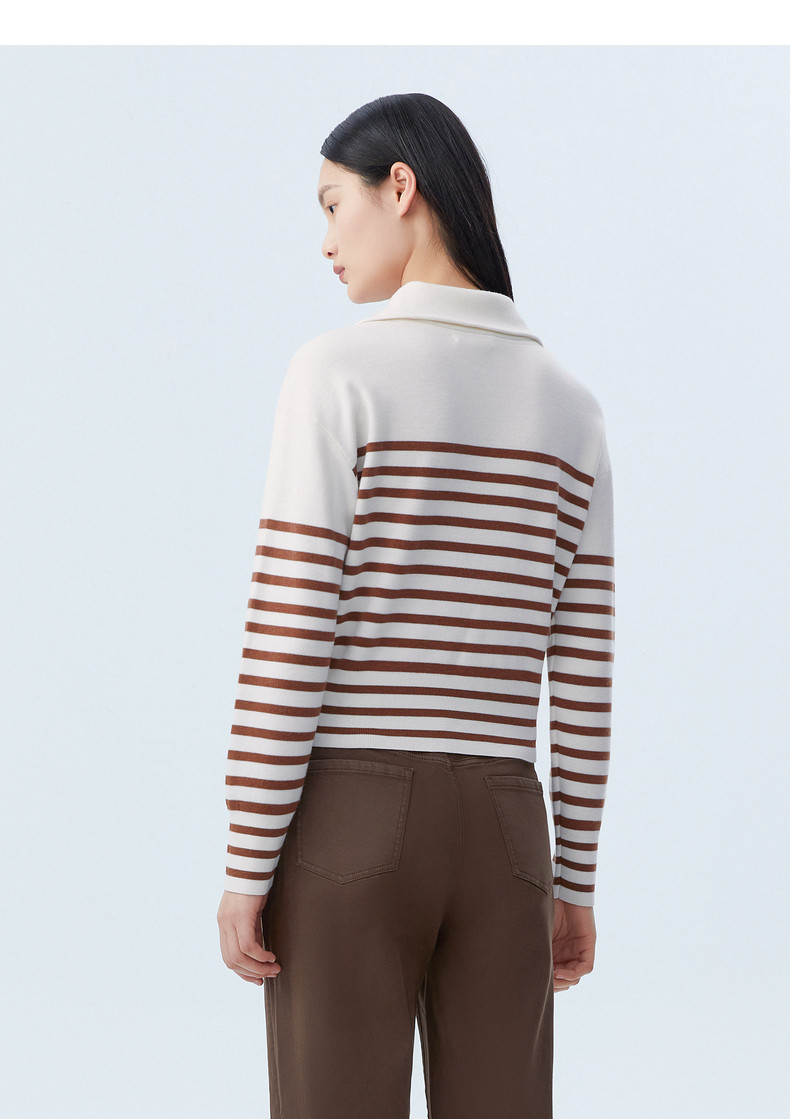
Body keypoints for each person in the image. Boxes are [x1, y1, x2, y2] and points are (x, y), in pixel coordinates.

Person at [217, 92, 615, 1119]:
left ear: (400, 188)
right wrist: (573, 880)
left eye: (331, 205)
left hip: (349, 820)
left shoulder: (336, 373)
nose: (324, 241)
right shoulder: (572, 410)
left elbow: (291, 629)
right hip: (508, 831)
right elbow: (582, 675)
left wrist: (247, 859)